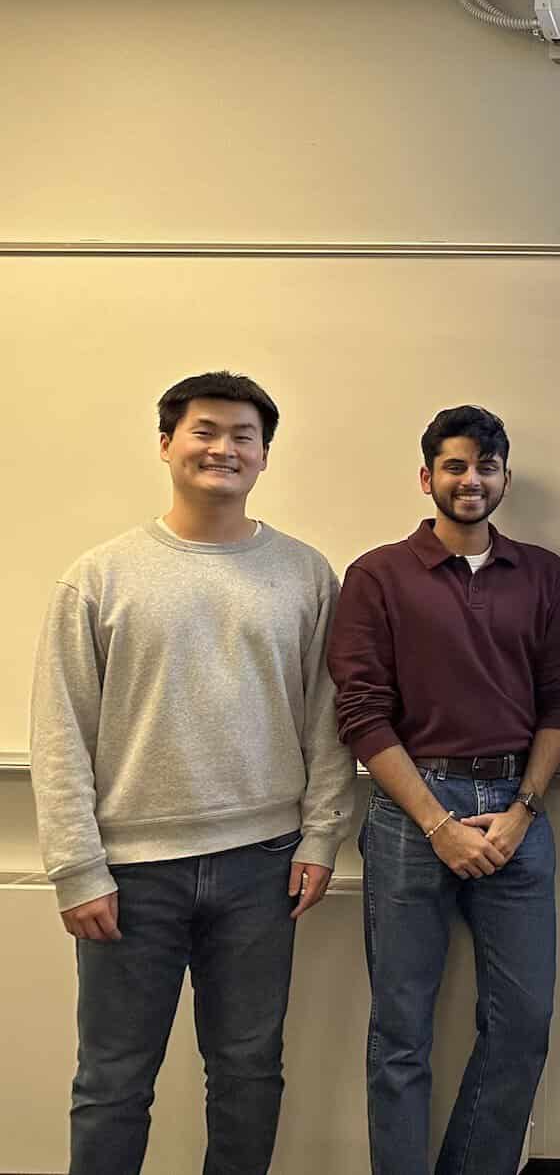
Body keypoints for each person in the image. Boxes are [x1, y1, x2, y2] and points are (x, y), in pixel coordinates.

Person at [29, 370, 351, 1175]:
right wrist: (75, 867)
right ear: (167, 443)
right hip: (129, 875)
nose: (224, 449)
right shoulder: (97, 577)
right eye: (205, 431)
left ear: (265, 455)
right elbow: (60, 729)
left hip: (264, 866)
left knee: (247, 1075)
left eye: (244, 436)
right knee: (111, 1083)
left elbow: (327, 716)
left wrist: (321, 837)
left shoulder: (308, 575)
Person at [328, 404, 560, 1175]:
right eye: (455, 466)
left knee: (523, 1022)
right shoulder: (377, 574)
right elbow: (362, 714)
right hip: (413, 818)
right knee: (401, 1031)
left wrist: (523, 810)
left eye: (486, 466)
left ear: (504, 477)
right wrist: (440, 823)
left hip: (516, 809)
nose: (471, 480)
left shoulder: (541, 573)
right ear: (428, 477)